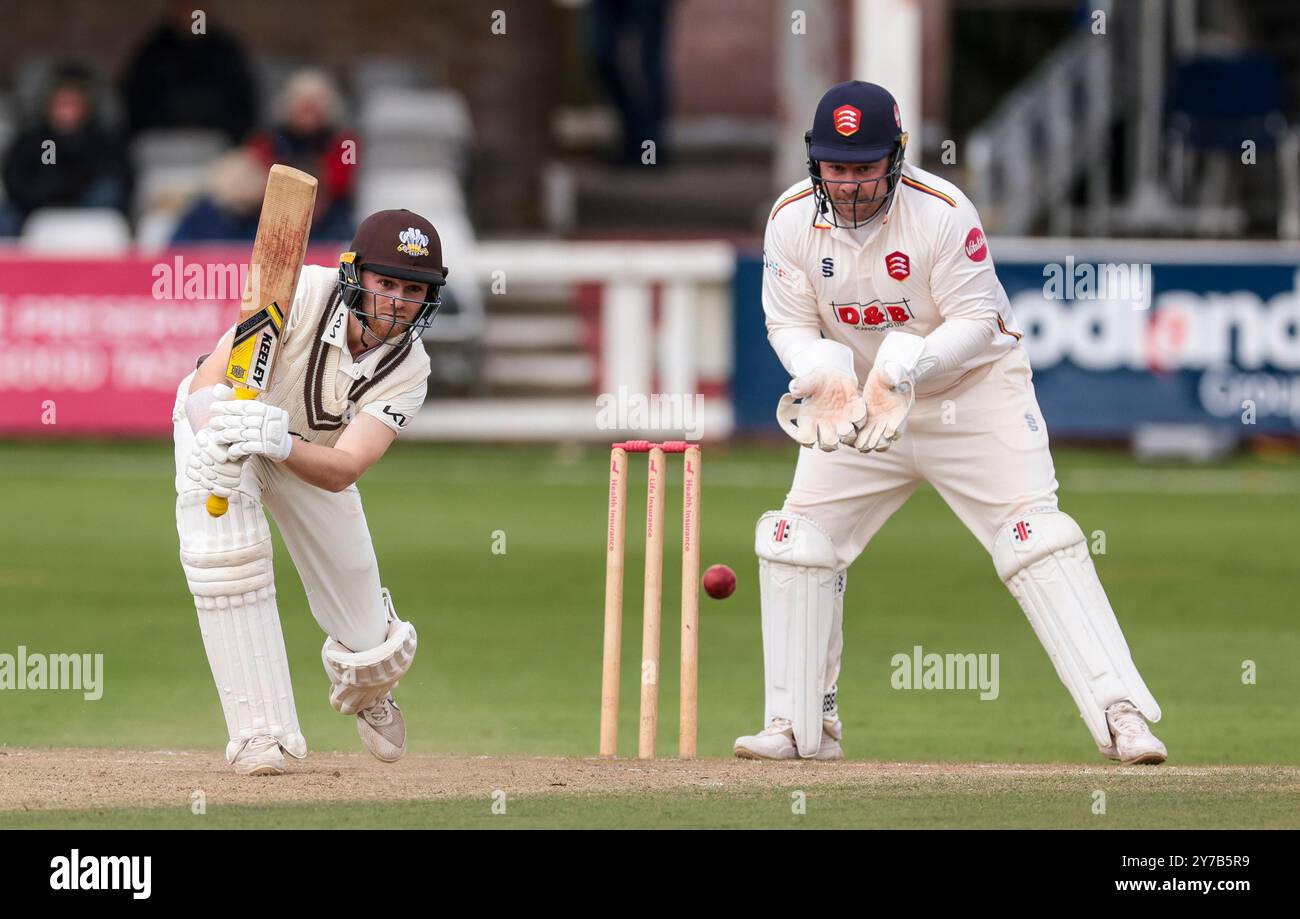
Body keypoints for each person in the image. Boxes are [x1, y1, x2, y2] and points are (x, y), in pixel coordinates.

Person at [734, 81, 1167, 765]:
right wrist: (819, 369)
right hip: (864, 407)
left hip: (971, 395)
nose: (848, 185)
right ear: (816, 162)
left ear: (896, 158)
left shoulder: (941, 214)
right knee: (796, 538)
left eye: (864, 168)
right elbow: (786, 319)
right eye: (836, 168)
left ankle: (1123, 715)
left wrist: (913, 366)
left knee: (1036, 538)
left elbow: (977, 321)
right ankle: (799, 728)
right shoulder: (789, 219)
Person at [172, 209, 446, 775]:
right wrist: (217, 435)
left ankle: (368, 689)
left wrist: (280, 443)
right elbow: (206, 382)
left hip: (306, 453)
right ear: (355, 275)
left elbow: (346, 466)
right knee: (228, 560)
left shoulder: (411, 369)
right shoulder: (298, 291)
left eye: (412, 289)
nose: (396, 301)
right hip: (223, 422)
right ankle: (260, 735)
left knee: (370, 635)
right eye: (385, 282)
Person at [0, 63, 131, 234]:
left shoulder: (101, 139)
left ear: (85, 108)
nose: (65, 112)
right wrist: (52, 184)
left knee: (107, 191)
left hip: (86, 209)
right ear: (48, 107)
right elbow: (18, 180)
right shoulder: (34, 140)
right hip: (36, 207)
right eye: (60, 104)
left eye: (72, 105)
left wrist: (73, 177)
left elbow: (115, 181)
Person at [247, 70, 357, 240]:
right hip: (274, 216)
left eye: (316, 103)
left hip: (329, 219)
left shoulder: (346, 144)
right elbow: (259, 183)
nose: (308, 109)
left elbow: (340, 183)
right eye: (302, 103)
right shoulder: (265, 141)